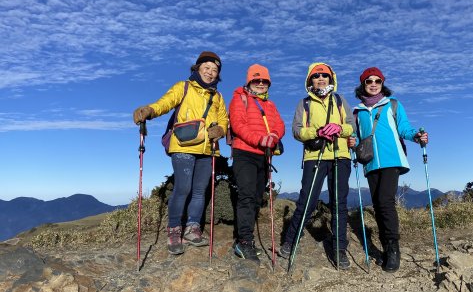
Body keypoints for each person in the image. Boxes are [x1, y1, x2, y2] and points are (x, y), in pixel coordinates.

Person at [132, 51, 229, 255]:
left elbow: (223, 120)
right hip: (183, 146)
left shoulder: (218, 96)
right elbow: (165, 103)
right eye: (207, 68)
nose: (210, 73)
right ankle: (174, 229)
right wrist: (150, 110)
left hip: (208, 149)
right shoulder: (183, 87)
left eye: (215, 70)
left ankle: (192, 228)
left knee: (200, 191)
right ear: (198, 68)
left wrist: (221, 130)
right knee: (183, 188)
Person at [350, 66, 428, 272]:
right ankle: (386, 246)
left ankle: (393, 249)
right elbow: (358, 137)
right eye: (369, 81)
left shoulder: (392, 104)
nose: (374, 84)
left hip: (392, 160)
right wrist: (352, 143)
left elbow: (404, 128)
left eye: (378, 80)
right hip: (369, 162)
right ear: (363, 85)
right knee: (377, 204)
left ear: (382, 84)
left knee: (385, 201)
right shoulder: (357, 111)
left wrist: (417, 137)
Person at [279, 62, 355, 269]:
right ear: (310, 80)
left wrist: (338, 128)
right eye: (316, 76)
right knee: (307, 201)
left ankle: (339, 248)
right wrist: (317, 132)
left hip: (340, 155)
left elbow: (352, 126)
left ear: (331, 79)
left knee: (339, 203)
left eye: (324, 76)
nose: (321, 79)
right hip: (314, 155)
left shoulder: (340, 100)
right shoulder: (304, 103)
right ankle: (290, 240)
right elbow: (296, 130)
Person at [228, 64, 285, 263]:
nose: (260, 83)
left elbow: (279, 125)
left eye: (264, 81)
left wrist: (274, 136)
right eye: (256, 80)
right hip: (244, 152)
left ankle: (247, 239)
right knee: (246, 195)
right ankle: (243, 242)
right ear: (249, 81)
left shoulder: (270, 105)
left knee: (255, 198)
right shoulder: (239, 98)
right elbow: (238, 125)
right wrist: (260, 140)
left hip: (264, 155)